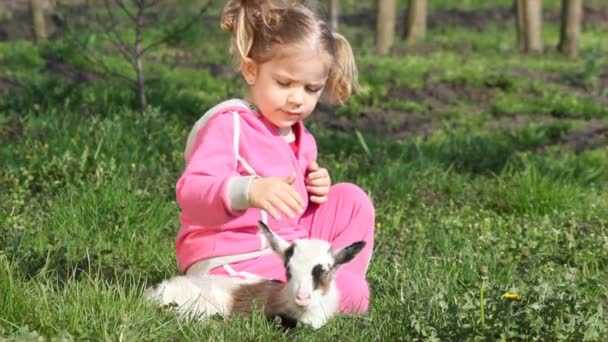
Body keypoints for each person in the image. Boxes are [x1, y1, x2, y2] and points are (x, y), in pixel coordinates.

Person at [175, 0, 375, 314]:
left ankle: (327, 284)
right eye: (284, 83)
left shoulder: (300, 137)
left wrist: (313, 193)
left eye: (311, 89)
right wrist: (248, 190)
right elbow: (192, 193)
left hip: (283, 249)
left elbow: (289, 213)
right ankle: (318, 297)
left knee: (352, 200)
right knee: (352, 294)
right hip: (234, 255)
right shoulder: (230, 125)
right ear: (251, 69)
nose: (297, 99)